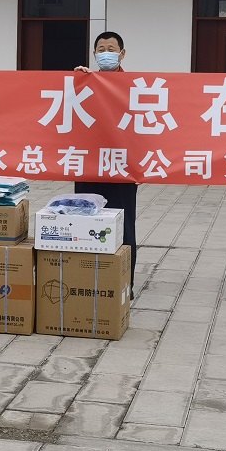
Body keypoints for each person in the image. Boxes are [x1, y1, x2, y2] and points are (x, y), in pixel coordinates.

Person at [74, 31, 139, 290]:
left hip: (121, 167)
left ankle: (124, 284)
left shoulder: (134, 87)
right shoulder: (85, 82)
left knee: (124, 225)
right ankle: (88, 280)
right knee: (85, 221)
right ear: (94, 54)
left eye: (111, 49)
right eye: (100, 49)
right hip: (89, 166)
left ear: (122, 54)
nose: (105, 53)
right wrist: (76, 80)